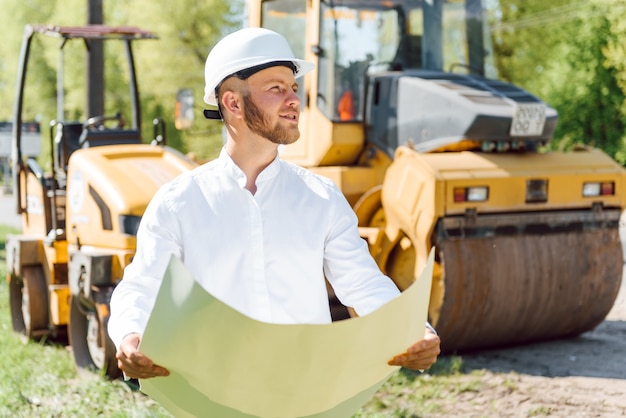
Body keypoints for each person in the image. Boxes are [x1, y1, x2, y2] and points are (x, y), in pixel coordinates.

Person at [107, 27, 440, 380]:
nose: (294, 99)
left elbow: (363, 284)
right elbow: (141, 287)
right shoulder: (178, 204)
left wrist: (411, 331)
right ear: (233, 103)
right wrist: (130, 334)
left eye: (294, 88)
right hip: (213, 393)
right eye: (276, 89)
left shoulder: (321, 199)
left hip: (304, 395)